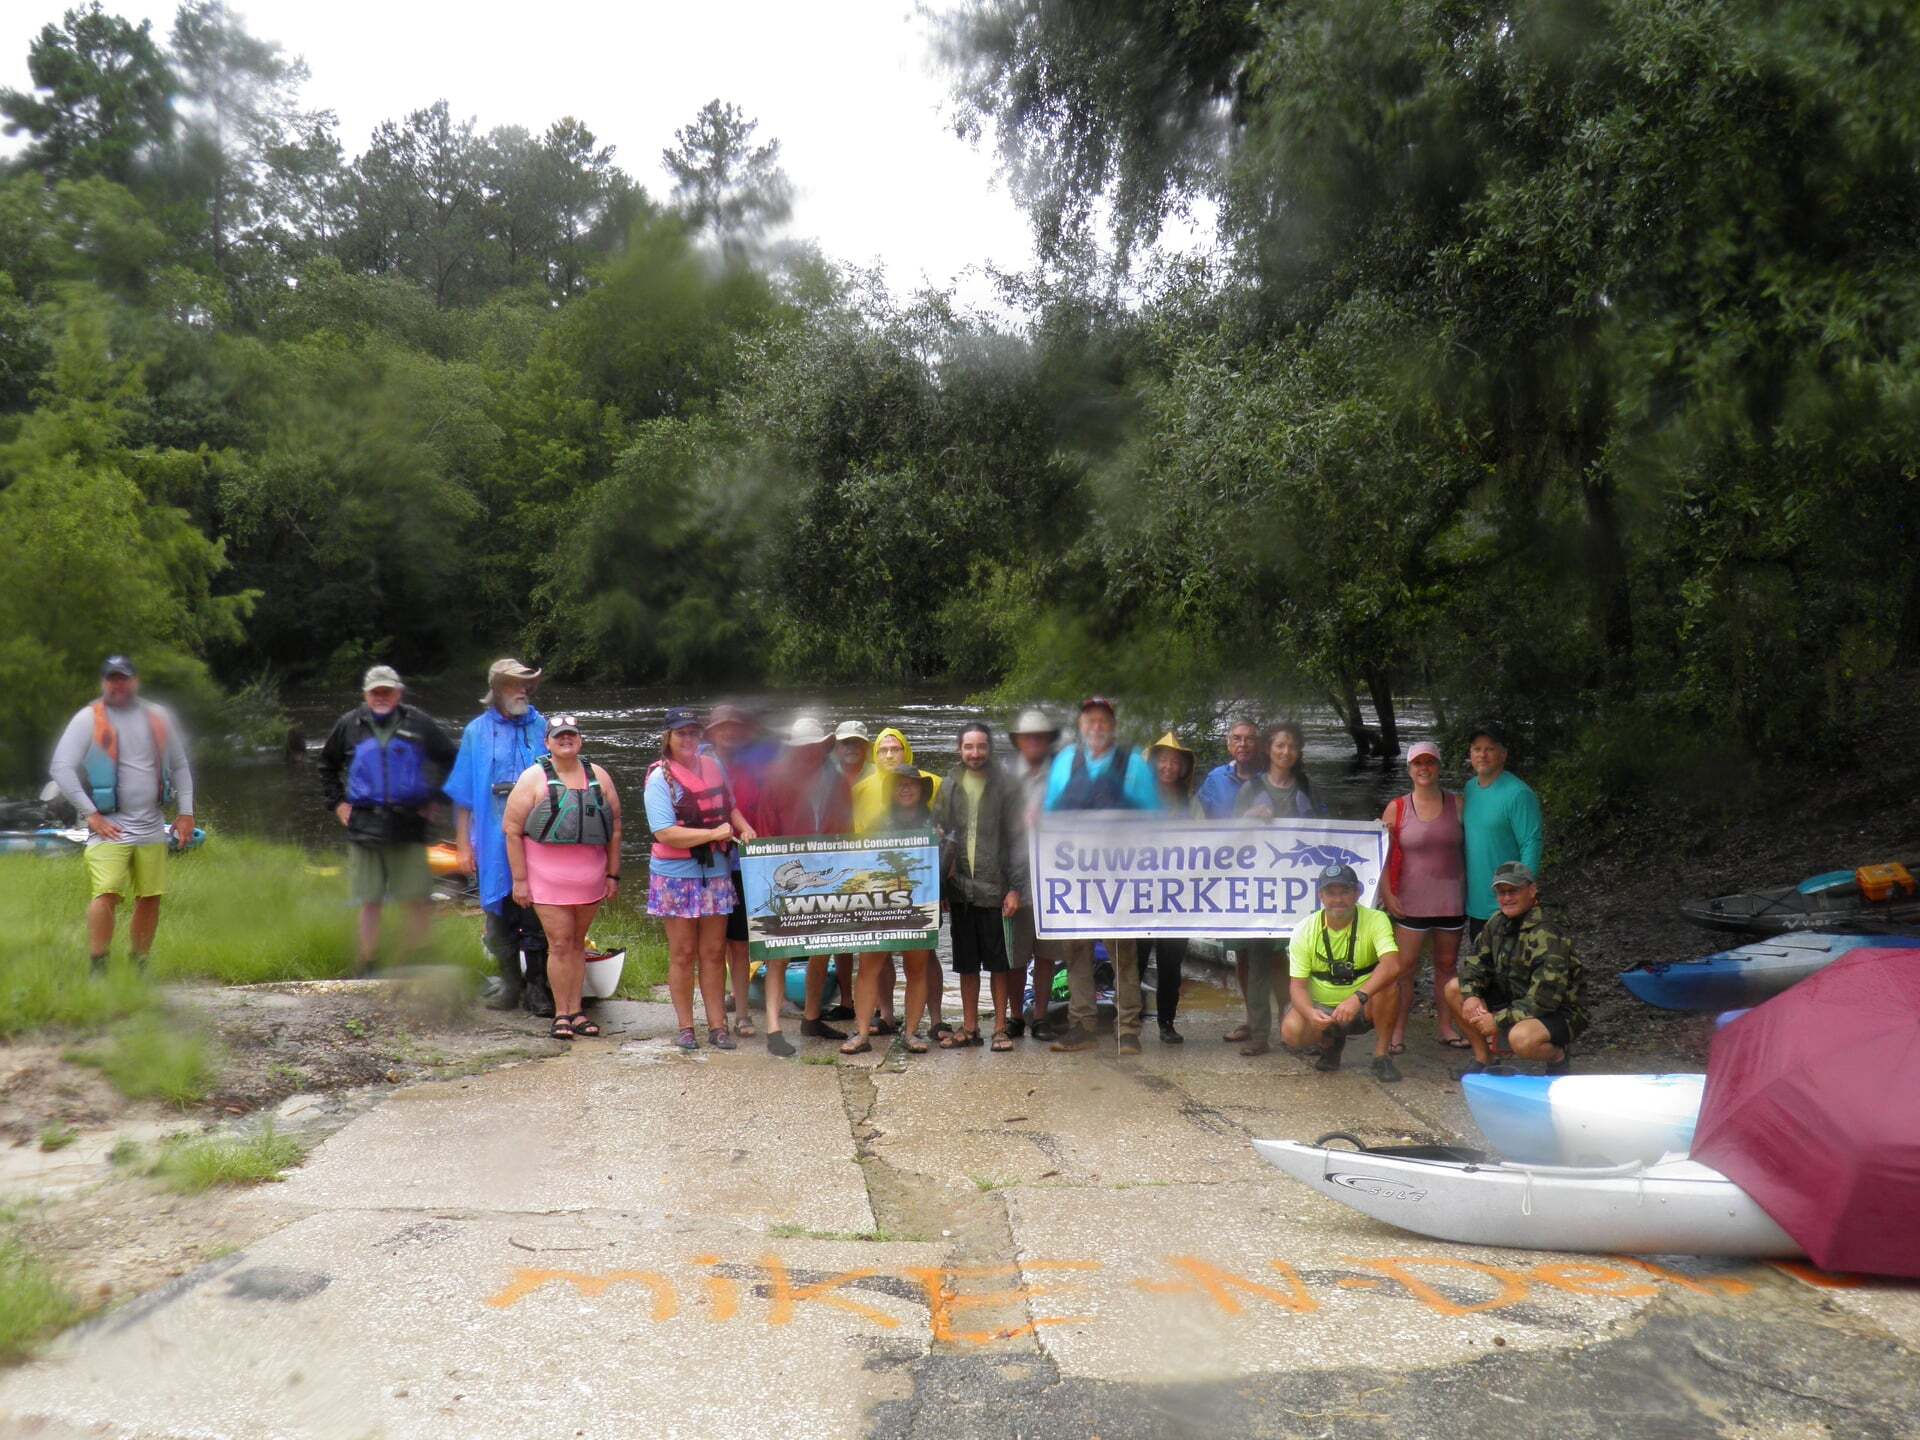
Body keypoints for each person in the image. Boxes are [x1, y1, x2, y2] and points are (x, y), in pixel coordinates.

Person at [49, 655, 195, 973]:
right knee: (106, 893)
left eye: (124, 678)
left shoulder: (158, 717)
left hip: (151, 826)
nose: (118, 684)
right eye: (112, 679)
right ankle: (98, 964)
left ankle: (139, 963)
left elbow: (181, 766)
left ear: (135, 681)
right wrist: (90, 814)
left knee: (150, 896)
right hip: (108, 827)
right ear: (104, 682)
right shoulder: (88, 718)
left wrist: (186, 812)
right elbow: (60, 766)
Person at [317, 665, 458, 973]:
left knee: (416, 897)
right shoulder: (349, 725)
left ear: (398, 693)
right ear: (365, 695)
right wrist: (338, 803)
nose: (381, 696)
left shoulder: (420, 724)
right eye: (375, 692)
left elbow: (453, 760)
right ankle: (368, 961)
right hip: (364, 825)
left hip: (408, 824)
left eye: (387, 691)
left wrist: (436, 797)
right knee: (369, 899)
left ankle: (418, 958)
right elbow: (327, 766)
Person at [1044, 696, 1162, 1056]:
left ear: (1113, 725)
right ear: (1081, 725)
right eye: (1090, 720)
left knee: (1122, 954)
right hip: (1074, 878)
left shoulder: (1135, 765)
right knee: (1075, 951)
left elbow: (1155, 820)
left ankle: (1128, 1030)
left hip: (1118, 876)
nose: (1096, 727)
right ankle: (1082, 1025)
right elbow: (1051, 812)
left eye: (1103, 721)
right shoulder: (1066, 760)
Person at [501, 715, 622, 1041]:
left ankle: (578, 1010)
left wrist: (613, 874)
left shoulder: (599, 777)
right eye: (559, 736)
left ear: (579, 739)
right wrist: (520, 880)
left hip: (590, 878)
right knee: (559, 943)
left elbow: (615, 829)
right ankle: (562, 1013)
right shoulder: (532, 779)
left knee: (577, 944)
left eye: (571, 735)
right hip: (547, 880)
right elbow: (511, 831)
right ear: (548, 742)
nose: (566, 740)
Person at [445, 659, 554, 1016]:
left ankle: (538, 988)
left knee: (537, 913)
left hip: (540, 839)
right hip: (492, 840)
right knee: (499, 913)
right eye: (513, 685)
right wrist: (463, 845)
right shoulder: (476, 732)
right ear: (496, 691)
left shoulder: (543, 727)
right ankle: (511, 985)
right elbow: (462, 795)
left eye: (526, 685)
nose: (522, 690)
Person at [643, 708, 756, 1051]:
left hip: (716, 873)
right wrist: (714, 834)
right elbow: (665, 832)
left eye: (693, 733)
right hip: (676, 877)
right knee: (683, 954)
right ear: (669, 738)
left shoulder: (713, 765)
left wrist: (743, 826)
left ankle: (718, 1025)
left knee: (712, 951)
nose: (689, 739)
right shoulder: (659, 778)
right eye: (681, 734)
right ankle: (685, 1026)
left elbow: (729, 807)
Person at [755, 715, 856, 1056]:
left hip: (827, 870)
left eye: (814, 746)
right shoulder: (775, 779)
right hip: (784, 872)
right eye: (803, 747)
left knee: (821, 944)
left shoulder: (836, 778)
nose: (809, 752)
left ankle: (812, 1017)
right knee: (779, 952)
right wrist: (772, 874)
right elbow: (766, 830)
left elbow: (847, 826)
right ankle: (773, 1028)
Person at [929, 722, 1028, 1053]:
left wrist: (1015, 888)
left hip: (995, 887)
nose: (975, 753)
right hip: (960, 889)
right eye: (968, 747)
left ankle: (1000, 1028)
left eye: (981, 746)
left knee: (999, 963)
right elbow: (938, 834)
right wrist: (942, 886)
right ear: (959, 749)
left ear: (990, 748)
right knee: (966, 962)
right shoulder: (949, 785)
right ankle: (970, 1027)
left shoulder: (1006, 785)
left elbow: (1017, 840)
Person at [852, 727, 949, 1042]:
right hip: (882, 903)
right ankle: (862, 1033)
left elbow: (945, 866)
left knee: (917, 967)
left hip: (920, 904)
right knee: (869, 965)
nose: (906, 790)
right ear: (891, 791)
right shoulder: (878, 824)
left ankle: (910, 1033)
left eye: (911, 785)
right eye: (900, 786)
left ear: (921, 790)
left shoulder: (935, 824)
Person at [1445, 861, 1585, 1077]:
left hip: (1559, 1010)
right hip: (1514, 995)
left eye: (1513, 891)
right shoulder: (1497, 922)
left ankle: (1558, 1056)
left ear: (1532, 890)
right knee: (1455, 989)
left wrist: (1498, 1020)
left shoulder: (1548, 931)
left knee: (1521, 1039)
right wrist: (1471, 995)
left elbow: (1544, 999)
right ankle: (1485, 1058)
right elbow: (1475, 964)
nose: (1506, 898)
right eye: (1501, 893)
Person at [1234, 720, 1323, 1054]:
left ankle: (1297, 1030)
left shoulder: (1307, 788)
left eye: (1292, 746)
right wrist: (1248, 817)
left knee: (1297, 964)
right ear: (1269, 748)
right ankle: (1259, 1035)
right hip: (1259, 892)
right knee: (1256, 964)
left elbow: (1327, 831)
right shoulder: (1251, 789)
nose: (1286, 751)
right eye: (1279, 745)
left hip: (1296, 894)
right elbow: (1230, 837)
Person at [1376, 740, 1468, 1052]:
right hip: (1410, 902)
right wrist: (1387, 893)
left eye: (1430, 763)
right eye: (1418, 763)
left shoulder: (1458, 804)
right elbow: (1381, 856)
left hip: (1451, 900)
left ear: (1439, 767)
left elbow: (1477, 846)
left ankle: (1446, 1027)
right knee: (1404, 969)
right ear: (1410, 769)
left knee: (1447, 965)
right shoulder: (1397, 807)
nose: (1424, 768)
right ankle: (1397, 1031)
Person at [1280, 863, 1404, 1083]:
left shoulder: (1376, 919)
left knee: (1390, 986)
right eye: (1331, 893)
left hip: (1363, 1005)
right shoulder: (1304, 929)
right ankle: (1330, 1043)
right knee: (1291, 1031)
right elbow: (1297, 986)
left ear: (1357, 893)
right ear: (1321, 896)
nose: (1338, 899)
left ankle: (1381, 1056)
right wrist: (1310, 1014)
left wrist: (1358, 998)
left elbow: (1392, 965)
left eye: (1345, 892)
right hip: (1322, 1007)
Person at [703, 703, 775, 1039]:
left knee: (742, 942)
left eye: (735, 727)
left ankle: (743, 1013)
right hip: (711, 862)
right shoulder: (699, 764)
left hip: (750, 860)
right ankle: (716, 1015)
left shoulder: (756, 764)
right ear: (713, 732)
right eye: (723, 727)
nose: (729, 733)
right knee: (716, 944)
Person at [1197, 717, 1262, 1036]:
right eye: (1237, 738)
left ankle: (1290, 1017)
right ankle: (1253, 1019)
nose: (1243, 744)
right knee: (1242, 953)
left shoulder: (1272, 778)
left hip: (1268, 876)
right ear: (1228, 743)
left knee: (1276, 953)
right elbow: (1198, 822)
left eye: (1249, 739)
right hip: (1231, 878)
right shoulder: (1214, 779)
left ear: (1258, 743)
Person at [1461, 722, 1545, 945]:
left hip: (1508, 902)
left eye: (1490, 748)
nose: (1483, 754)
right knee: (1482, 968)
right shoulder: (1470, 789)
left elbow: (1531, 843)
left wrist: (1525, 893)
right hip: (1477, 904)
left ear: (1503, 754)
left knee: (1510, 972)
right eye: (1477, 749)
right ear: (1470, 753)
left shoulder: (1518, 794)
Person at [1005, 707, 1061, 1038]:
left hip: (1054, 877)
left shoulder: (1062, 775)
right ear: (1019, 742)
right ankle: (1015, 1015)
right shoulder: (1005, 776)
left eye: (1040, 737)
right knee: (1015, 954)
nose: (1034, 742)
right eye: (1028, 737)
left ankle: (1039, 1015)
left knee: (1047, 954)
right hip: (1015, 876)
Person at [1142, 731, 1201, 1044]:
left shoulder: (1191, 804)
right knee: (1134, 961)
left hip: (1178, 898)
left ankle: (1167, 1022)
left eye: (1175, 761)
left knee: (1170, 963)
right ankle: (1128, 1024)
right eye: (1163, 760)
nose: (1168, 766)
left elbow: (1208, 845)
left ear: (1183, 768)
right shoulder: (1136, 800)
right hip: (1137, 896)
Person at [829, 720, 877, 1023]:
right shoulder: (827, 775)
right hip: (835, 860)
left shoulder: (879, 773)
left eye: (856, 742)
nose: (850, 747)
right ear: (836, 746)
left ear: (866, 746)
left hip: (873, 861)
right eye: (845, 742)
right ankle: (846, 1001)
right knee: (839, 936)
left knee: (874, 936)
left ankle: (876, 1007)